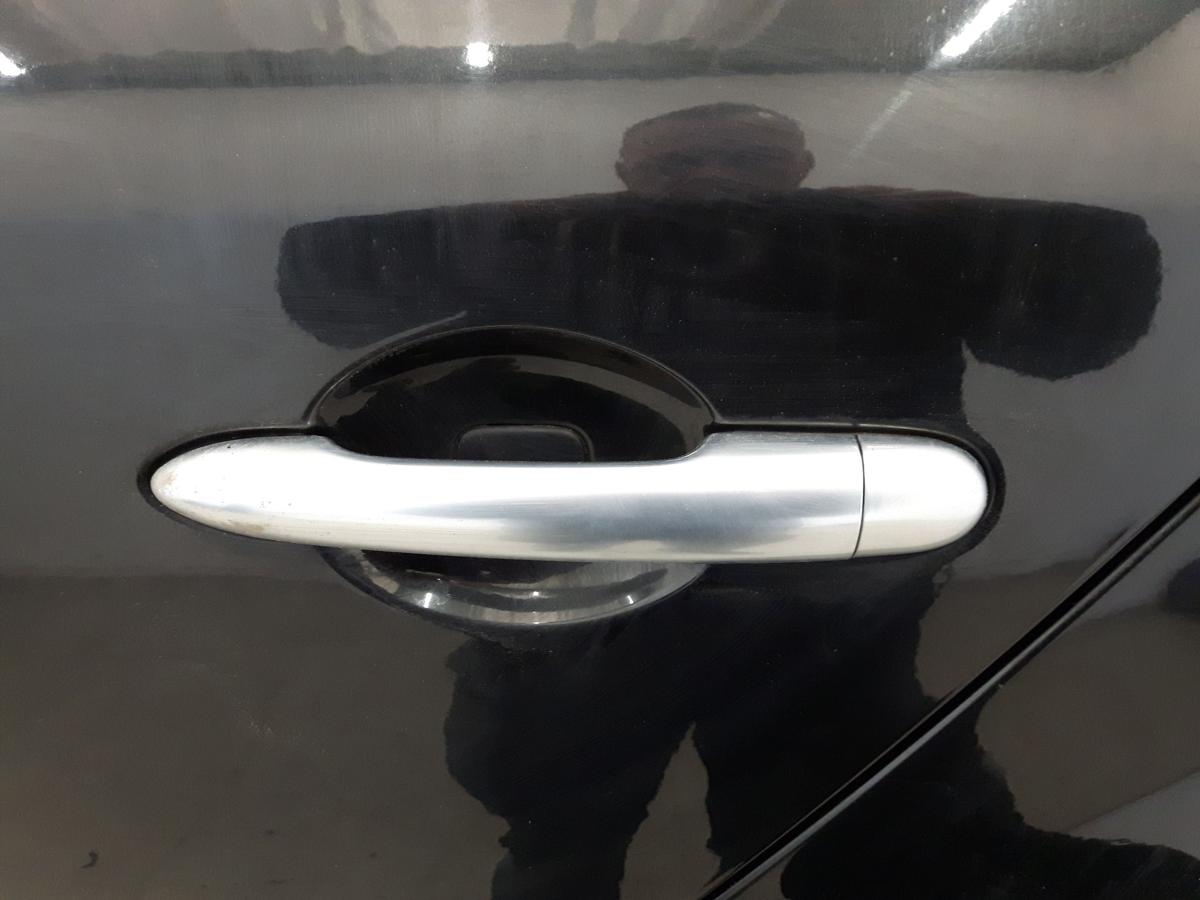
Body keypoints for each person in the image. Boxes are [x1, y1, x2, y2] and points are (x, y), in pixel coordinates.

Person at [279, 103, 1189, 898]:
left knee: (841, 806)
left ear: (801, 169)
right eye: (679, 164)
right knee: (556, 807)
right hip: (592, 596)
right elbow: (328, 298)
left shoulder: (881, 248)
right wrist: (543, 230)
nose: (713, 181)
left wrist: (929, 224)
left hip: (836, 592)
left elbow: (1081, 333)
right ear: (627, 176)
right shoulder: (561, 249)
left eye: (747, 161)